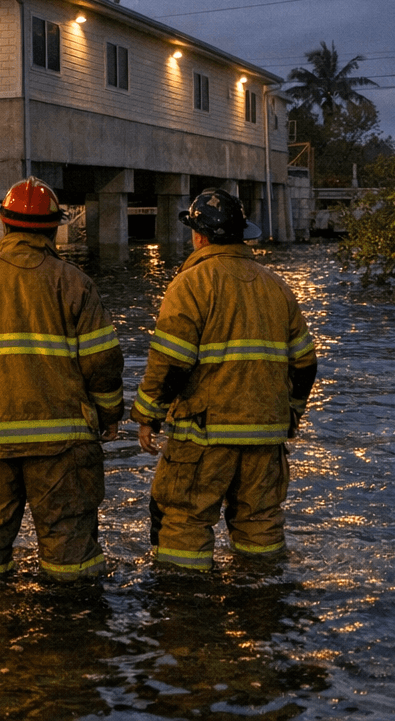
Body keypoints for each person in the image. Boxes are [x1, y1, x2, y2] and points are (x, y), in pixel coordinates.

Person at [0, 177, 125, 580]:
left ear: (4, 225)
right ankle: (69, 631)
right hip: (62, 444)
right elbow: (102, 364)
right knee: (72, 559)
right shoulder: (75, 284)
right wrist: (108, 417)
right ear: (53, 229)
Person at [130, 187, 318, 570]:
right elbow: (305, 363)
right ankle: (262, 607)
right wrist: (291, 415)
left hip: (205, 437)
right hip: (266, 436)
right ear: (242, 234)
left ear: (199, 236)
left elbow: (171, 362)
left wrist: (148, 416)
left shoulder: (191, 284)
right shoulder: (277, 287)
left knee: (184, 523)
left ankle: (188, 612)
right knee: (261, 529)